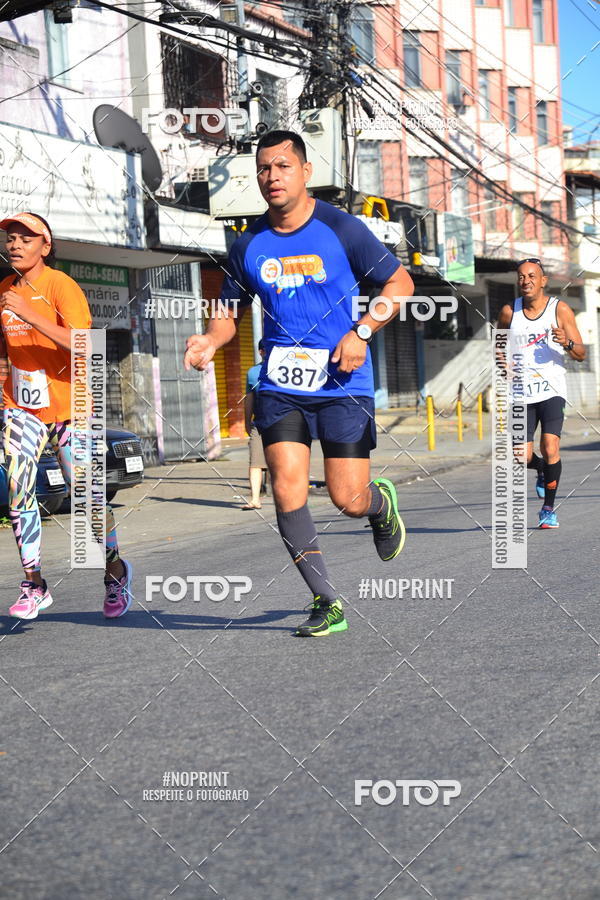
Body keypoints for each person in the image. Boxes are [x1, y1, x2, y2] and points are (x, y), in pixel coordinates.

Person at [185, 130, 415, 636]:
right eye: (264, 168)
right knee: (287, 488)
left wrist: (363, 331)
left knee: (345, 497)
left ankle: (378, 504)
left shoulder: (340, 228)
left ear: (306, 172)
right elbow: (228, 312)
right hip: (280, 384)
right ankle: (325, 600)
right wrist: (210, 340)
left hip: (342, 381)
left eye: (282, 166)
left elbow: (400, 283)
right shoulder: (248, 244)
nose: (272, 177)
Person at [0, 211, 132, 619]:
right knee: (19, 486)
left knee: (88, 499)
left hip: (72, 408)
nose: (15, 244)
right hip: (21, 408)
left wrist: (29, 314)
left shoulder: (61, 286)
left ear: (46, 246)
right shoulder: (4, 289)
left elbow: (85, 346)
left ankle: (114, 572)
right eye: (10, 237)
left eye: (26, 237)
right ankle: (35, 584)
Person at [497, 257, 585, 529]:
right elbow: (497, 345)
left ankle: (548, 508)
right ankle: (541, 470)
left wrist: (567, 342)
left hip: (551, 390)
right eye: (522, 277)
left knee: (550, 447)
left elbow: (580, 354)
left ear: (543, 281)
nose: (526, 281)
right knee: (520, 456)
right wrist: (503, 363)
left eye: (532, 276)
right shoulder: (510, 312)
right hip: (521, 392)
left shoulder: (560, 310)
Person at [242, 338, 267, 510]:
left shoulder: (284, 368)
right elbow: (249, 399)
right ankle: (255, 499)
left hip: (283, 423)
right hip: (259, 423)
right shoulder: (253, 373)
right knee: (256, 462)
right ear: (261, 352)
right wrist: (246, 421)